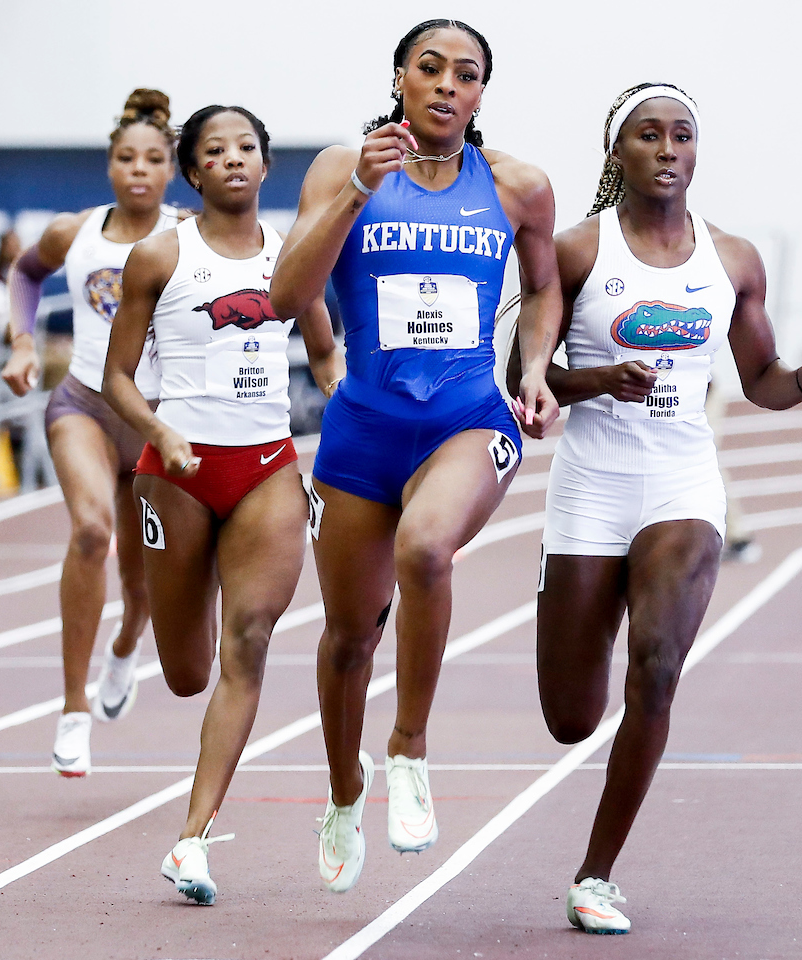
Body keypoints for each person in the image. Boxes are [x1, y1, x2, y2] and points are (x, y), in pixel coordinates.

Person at [509, 83, 802, 934]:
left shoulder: (733, 260)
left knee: (658, 668)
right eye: (648, 135)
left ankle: (596, 875)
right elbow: (531, 374)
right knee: (569, 718)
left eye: (682, 136)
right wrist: (598, 379)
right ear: (617, 153)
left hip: (681, 484)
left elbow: (763, 380)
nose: (668, 149)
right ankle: (561, 606)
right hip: (591, 486)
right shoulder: (575, 252)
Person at [271, 19, 562, 893]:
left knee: (426, 549)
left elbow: (545, 286)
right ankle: (342, 790)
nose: (445, 84)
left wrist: (537, 370)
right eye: (429, 68)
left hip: (470, 415)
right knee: (348, 637)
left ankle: (409, 747)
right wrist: (357, 189)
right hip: (363, 425)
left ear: (479, 95)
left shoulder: (516, 186)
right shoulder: (339, 167)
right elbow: (288, 295)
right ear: (400, 77)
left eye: (465, 75)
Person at [102, 104, 341, 904]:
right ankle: (145, 623)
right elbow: (117, 381)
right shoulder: (158, 256)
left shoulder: (293, 255)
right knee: (186, 671)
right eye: (215, 150)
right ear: (193, 171)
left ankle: (191, 840)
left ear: (265, 166)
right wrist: (159, 433)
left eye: (246, 147)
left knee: (249, 641)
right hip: (175, 473)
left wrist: (349, 423)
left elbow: (324, 353)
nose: (233, 159)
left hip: (267, 468)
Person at [1, 88, 181, 777]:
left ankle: (128, 644)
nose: (138, 169)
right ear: (109, 164)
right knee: (90, 532)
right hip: (83, 403)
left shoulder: (188, 234)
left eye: (153, 159)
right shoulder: (71, 232)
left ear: (172, 169)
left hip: (158, 419)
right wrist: (22, 342)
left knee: (142, 589)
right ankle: (73, 707)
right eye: (125, 157)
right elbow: (26, 273)